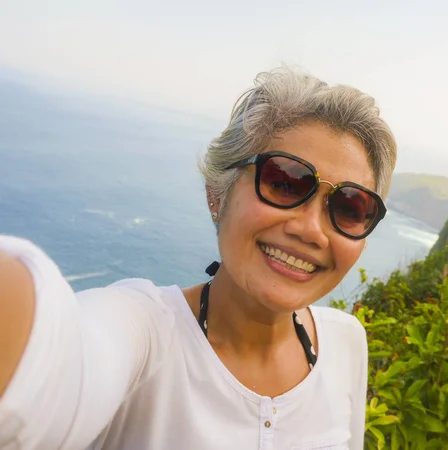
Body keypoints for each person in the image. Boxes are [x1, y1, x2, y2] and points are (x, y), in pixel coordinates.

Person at [0, 67, 397, 450]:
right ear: (217, 193)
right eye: (283, 181)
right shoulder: (146, 336)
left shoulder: (346, 342)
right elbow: (58, 367)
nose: (311, 229)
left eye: (349, 206)